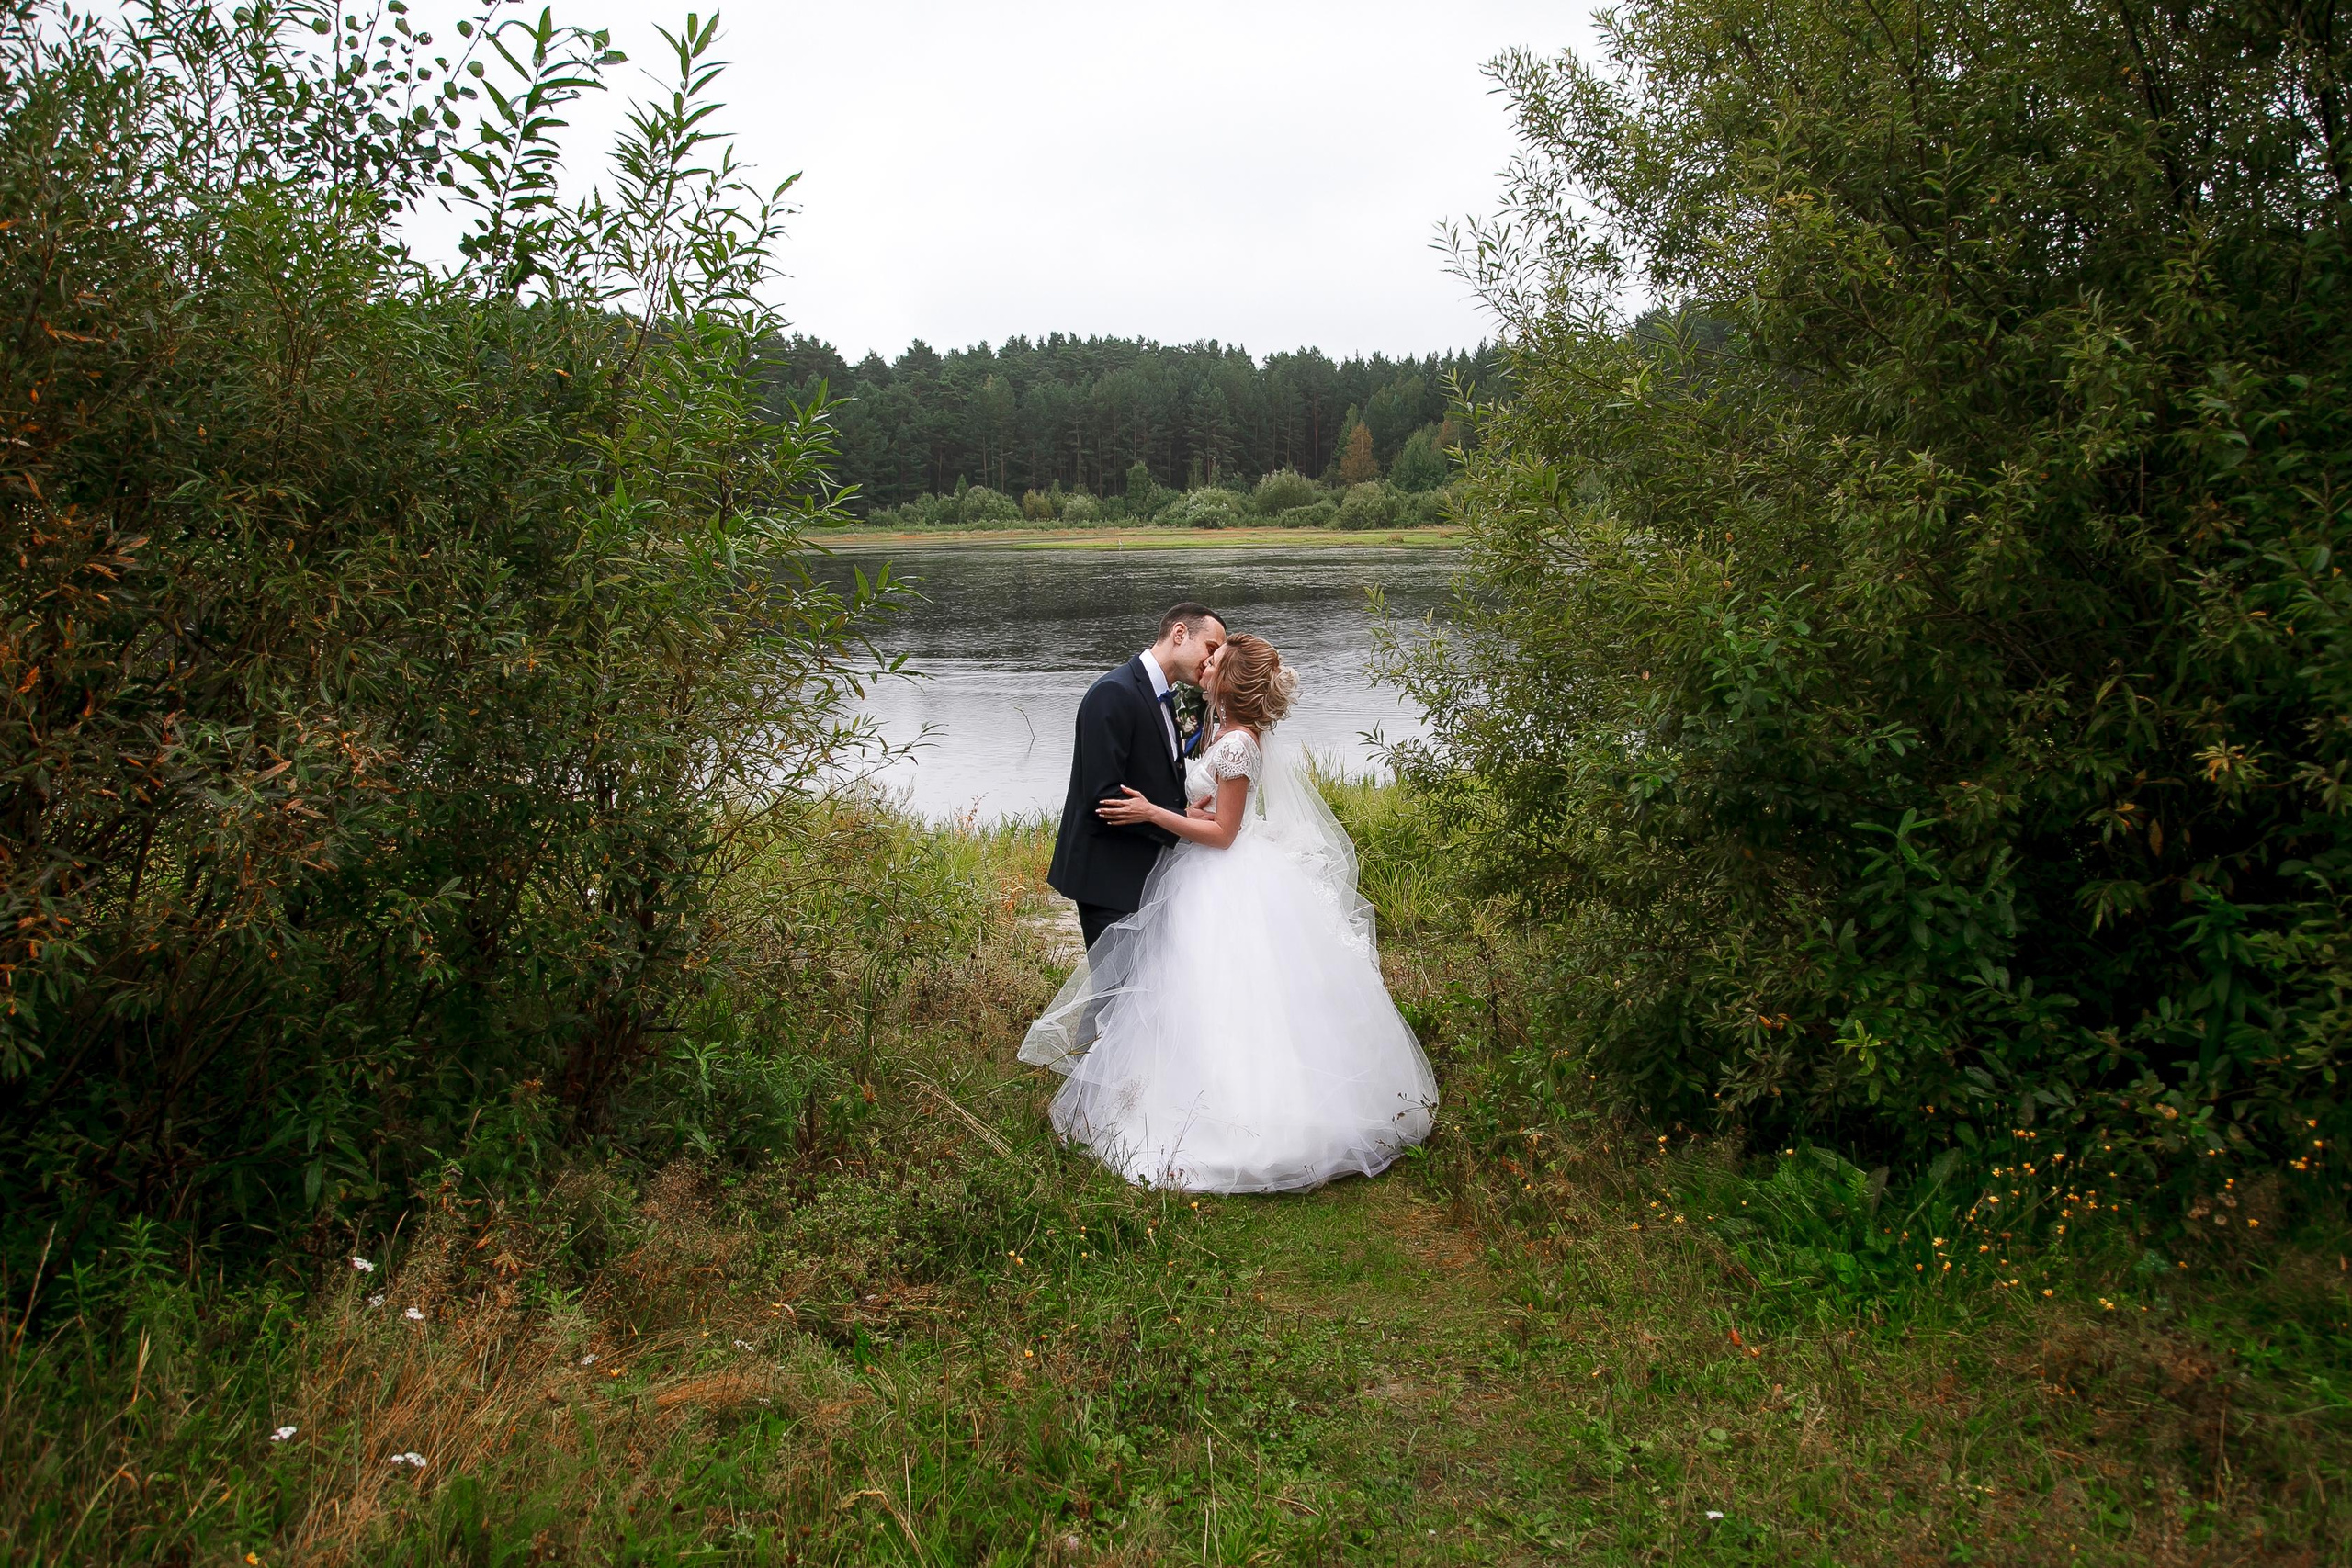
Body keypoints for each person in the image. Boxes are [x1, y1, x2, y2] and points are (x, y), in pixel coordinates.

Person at [1022, 633, 1438, 1194]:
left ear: (1228, 680)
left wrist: (1153, 812)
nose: (1205, 662)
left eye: (1215, 659)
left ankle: (1250, 1120)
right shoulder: (1226, 733)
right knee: (1190, 988)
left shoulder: (1240, 743)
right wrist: (1194, 803)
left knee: (1228, 990)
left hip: (1222, 874)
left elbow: (1223, 834)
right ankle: (1176, 1094)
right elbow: (1216, 805)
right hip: (1206, 874)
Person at [1046, 602, 1227, 952]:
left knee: (1140, 996)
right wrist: (1173, 819)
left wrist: (1182, 813)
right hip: (1109, 876)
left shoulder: (1162, 696)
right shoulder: (1113, 693)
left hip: (1142, 873)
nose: (1210, 661)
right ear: (1179, 634)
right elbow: (1104, 797)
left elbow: (1148, 779)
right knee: (1115, 998)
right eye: (1210, 648)